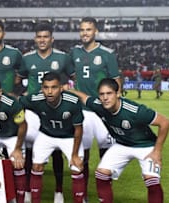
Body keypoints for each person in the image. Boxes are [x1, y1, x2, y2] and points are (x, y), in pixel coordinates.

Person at [71, 78, 169, 203]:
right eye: (102, 94)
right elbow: (84, 97)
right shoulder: (98, 105)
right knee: (101, 174)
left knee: (151, 180)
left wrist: (157, 151)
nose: (105, 98)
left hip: (145, 146)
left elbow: (165, 123)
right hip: (122, 144)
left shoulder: (135, 111)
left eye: (109, 93)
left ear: (118, 94)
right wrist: (68, 90)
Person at [16, 22, 75, 203]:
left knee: (56, 148)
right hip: (33, 110)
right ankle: (27, 190)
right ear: (35, 39)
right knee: (29, 148)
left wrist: (68, 87)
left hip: (55, 108)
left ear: (52, 39)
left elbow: (74, 79)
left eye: (45, 37)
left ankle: (58, 191)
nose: (42, 40)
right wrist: (23, 94)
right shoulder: (27, 58)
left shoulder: (63, 58)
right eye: (39, 37)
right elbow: (18, 80)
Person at [70, 17, 120, 201]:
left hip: (102, 113)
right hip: (82, 112)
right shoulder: (74, 52)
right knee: (82, 158)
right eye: (82, 29)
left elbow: (117, 83)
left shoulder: (107, 54)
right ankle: (82, 197)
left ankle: (103, 197)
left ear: (95, 31)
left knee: (106, 158)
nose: (85, 33)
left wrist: (114, 109)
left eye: (88, 29)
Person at [19, 72, 85, 203]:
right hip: (46, 135)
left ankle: (79, 199)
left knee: (77, 168)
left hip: (69, 137)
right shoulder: (36, 99)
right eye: (46, 87)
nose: (49, 91)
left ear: (61, 88)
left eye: (54, 87)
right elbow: (16, 104)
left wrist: (75, 154)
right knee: (36, 167)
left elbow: (78, 129)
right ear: (41, 88)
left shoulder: (72, 102)